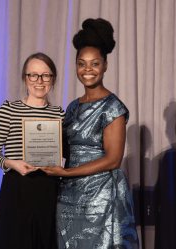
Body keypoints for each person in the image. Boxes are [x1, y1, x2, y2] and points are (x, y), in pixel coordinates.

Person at [41, 18, 139, 249]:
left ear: (105, 65)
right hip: (69, 196)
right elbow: (65, 148)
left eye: (94, 63)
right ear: (75, 66)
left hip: (101, 197)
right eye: (81, 63)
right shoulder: (73, 106)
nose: (87, 70)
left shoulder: (113, 107)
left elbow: (113, 159)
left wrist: (66, 171)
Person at [0, 52, 65, 249]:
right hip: (17, 190)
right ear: (25, 77)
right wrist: (12, 163)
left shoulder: (60, 114)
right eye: (33, 75)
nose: (39, 81)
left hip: (50, 191)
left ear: (53, 79)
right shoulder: (9, 110)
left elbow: (67, 153)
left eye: (46, 75)